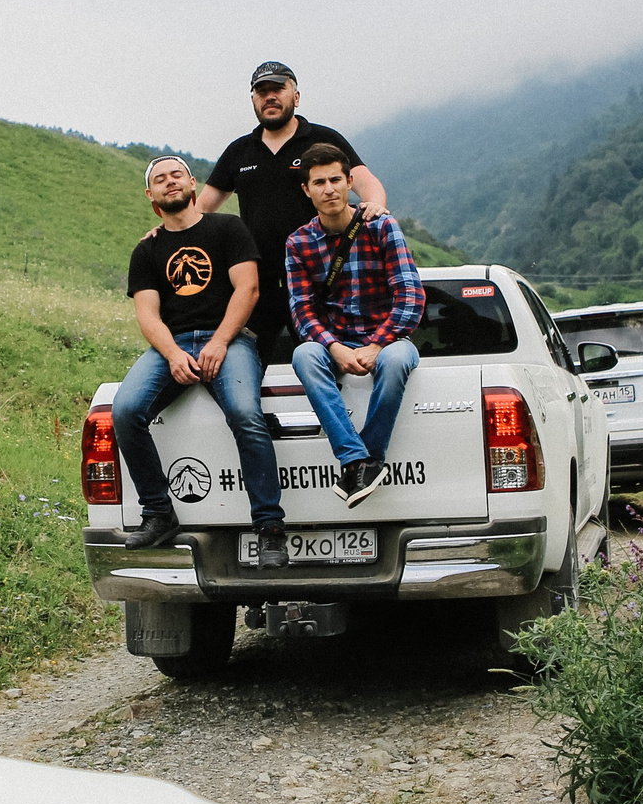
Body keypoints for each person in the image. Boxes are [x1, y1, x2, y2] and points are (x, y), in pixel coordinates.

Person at [111, 155, 290, 566]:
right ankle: (158, 512)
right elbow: (147, 315)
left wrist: (220, 343)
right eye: (160, 179)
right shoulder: (147, 250)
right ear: (150, 195)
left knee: (247, 414)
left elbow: (248, 290)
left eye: (177, 175)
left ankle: (269, 528)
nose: (169, 182)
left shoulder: (228, 228)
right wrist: (173, 354)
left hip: (228, 342)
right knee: (125, 410)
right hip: (171, 345)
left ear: (193, 183)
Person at [193, 61, 387, 369]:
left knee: (332, 370)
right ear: (253, 100)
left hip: (322, 281)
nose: (269, 96)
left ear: (295, 96)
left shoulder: (324, 139)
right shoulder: (240, 151)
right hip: (259, 286)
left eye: (277, 89)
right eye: (261, 91)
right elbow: (200, 209)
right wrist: (164, 231)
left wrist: (375, 205)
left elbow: (364, 183)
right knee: (251, 373)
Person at [283, 144, 425, 508]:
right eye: (319, 182)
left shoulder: (380, 226)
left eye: (335, 180)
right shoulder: (298, 243)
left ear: (349, 182)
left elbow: (411, 296)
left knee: (395, 362)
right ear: (306, 190)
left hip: (390, 337)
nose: (329, 189)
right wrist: (335, 347)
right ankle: (356, 458)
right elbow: (302, 311)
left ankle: (365, 459)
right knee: (304, 355)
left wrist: (376, 345)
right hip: (337, 341)